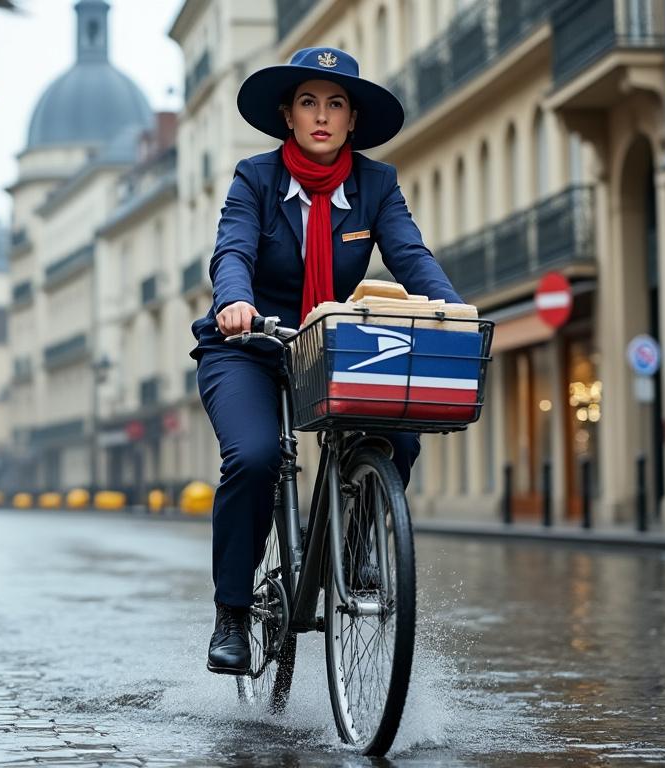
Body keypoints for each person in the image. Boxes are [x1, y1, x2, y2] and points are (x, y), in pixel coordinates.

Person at [189, 47, 463, 675]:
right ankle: (232, 612)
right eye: (308, 102)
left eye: (335, 103)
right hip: (249, 344)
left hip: (333, 343)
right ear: (287, 115)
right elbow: (231, 251)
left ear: (352, 120)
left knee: (399, 429)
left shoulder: (377, 184)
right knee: (255, 457)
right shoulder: (253, 179)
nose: (321, 115)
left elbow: (410, 256)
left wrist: (451, 310)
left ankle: (356, 536)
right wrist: (234, 302)